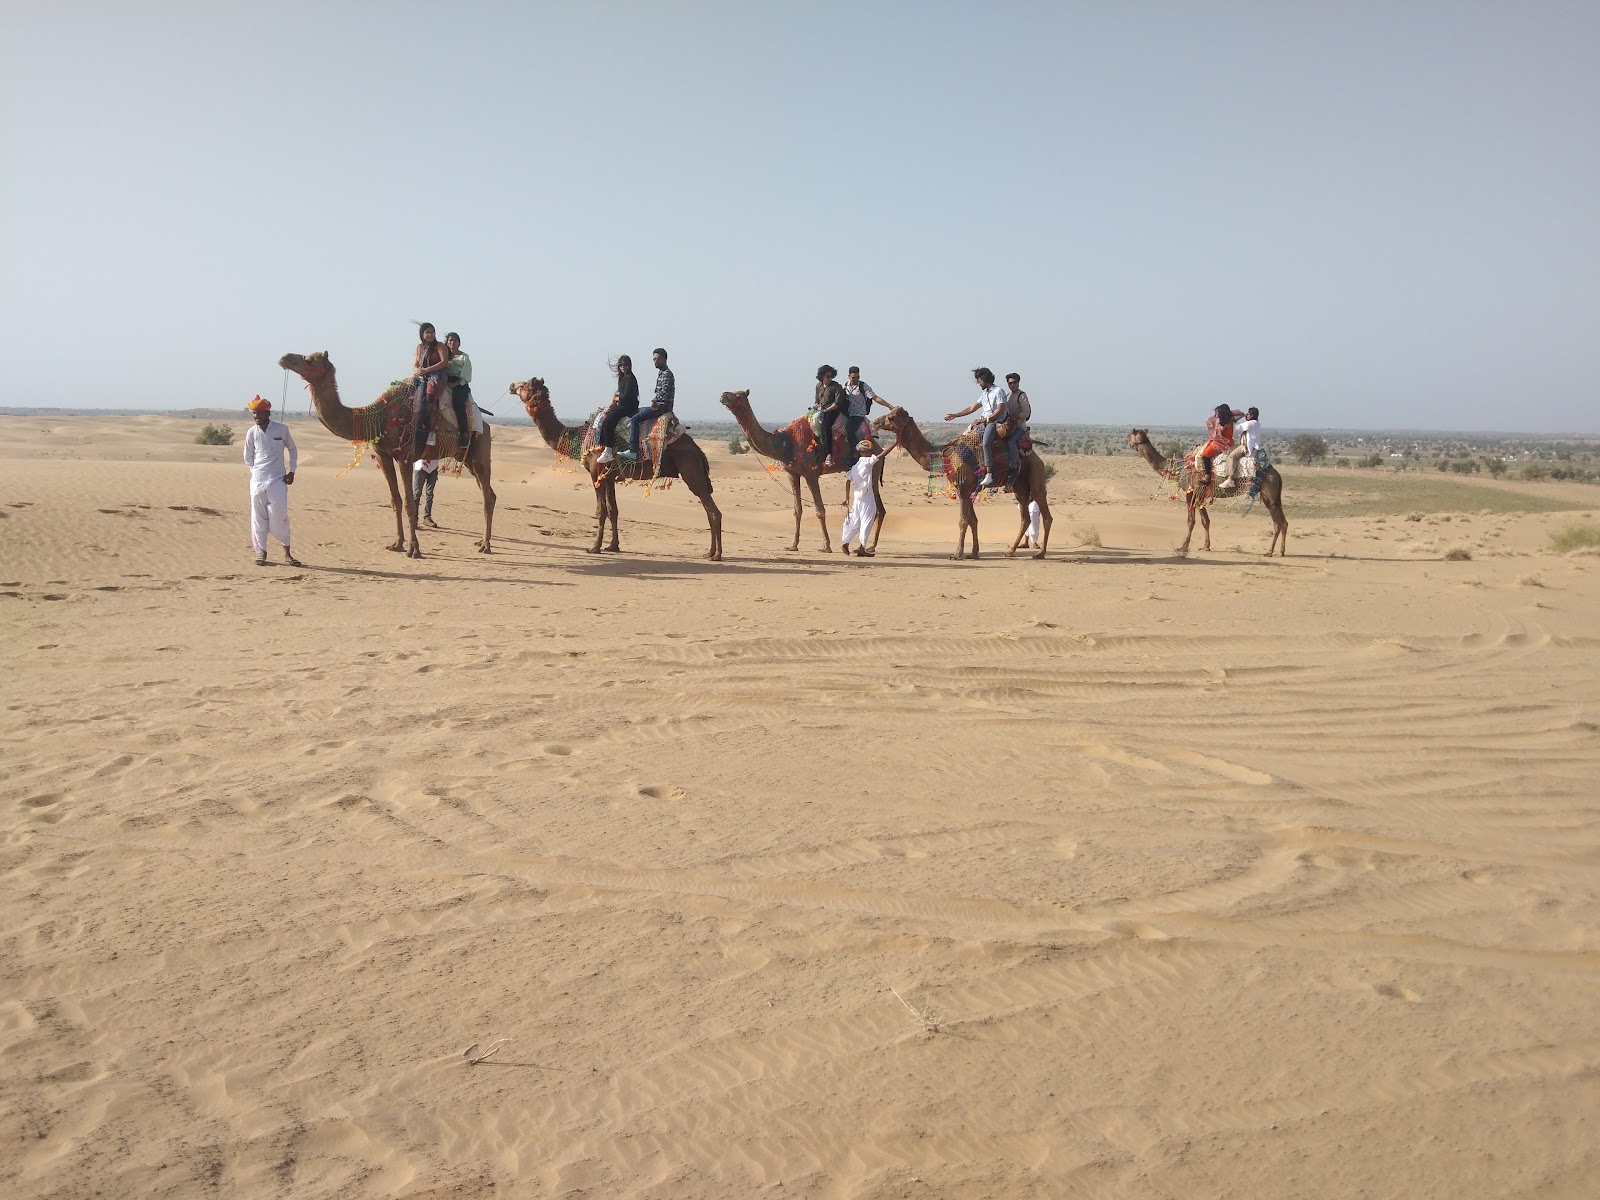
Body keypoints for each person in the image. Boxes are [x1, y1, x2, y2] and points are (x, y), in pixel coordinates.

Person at [241, 396, 301, 566]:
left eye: (259, 413)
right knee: (258, 518)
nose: (256, 416)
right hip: (257, 482)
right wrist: (255, 471)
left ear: (267, 413)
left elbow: (293, 449)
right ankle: (261, 552)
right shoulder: (251, 432)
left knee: (279, 516)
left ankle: (287, 554)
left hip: (277, 480)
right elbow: (248, 456)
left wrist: (292, 471)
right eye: (254, 413)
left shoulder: (281, 429)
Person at [944, 367, 1008, 487]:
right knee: (966, 439)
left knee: (985, 443)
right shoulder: (984, 394)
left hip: (993, 422)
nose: (979, 384)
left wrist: (985, 420)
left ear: (984, 379)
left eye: (979, 381)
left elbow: (1000, 410)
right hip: (983, 422)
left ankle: (989, 474)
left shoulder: (998, 391)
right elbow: (971, 408)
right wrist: (955, 415)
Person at [623, 347, 674, 462]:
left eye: (658, 359)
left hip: (661, 407)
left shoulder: (666, 374)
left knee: (635, 419)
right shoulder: (662, 373)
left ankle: (633, 450)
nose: (656, 361)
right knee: (635, 412)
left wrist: (655, 401)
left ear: (665, 359)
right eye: (654, 359)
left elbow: (664, 393)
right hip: (659, 405)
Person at [840, 438, 881, 556]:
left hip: (857, 498)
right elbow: (882, 454)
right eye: (869, 451)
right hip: (867, 497)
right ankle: (862, 548)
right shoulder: (867, 462)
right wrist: (895, 444)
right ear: (865, 452)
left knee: (855, 521)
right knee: (867, 521)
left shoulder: (855, 467)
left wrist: (847, 498)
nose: (871, 453)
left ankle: (846, 542)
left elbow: (848, 481)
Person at [595, 355, 639, 464]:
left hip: (628, 406)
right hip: (622, 404)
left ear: (629, 365)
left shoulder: (630, 378)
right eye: (621, 365)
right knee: (605, 415)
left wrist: (617, 399)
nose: (623, 367)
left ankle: (608, 451)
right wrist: (613, 403)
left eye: (625, 365)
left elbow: (626, 396)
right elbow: (619, 393)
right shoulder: (622, 378)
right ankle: (603, 446)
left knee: (608, 421)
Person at [412, 323, 449, 441]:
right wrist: (418, 370)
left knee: (429, 395)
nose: (430, 335)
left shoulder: (440, 346)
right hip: (422, 375)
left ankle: (429, 427)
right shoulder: (419, 347)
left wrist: (427, 370)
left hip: (437, 375)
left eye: (432, 332)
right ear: (422, 334)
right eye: (427, 332)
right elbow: (415, 364)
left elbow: (444, 362)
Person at [1197, 403, 1246, 486]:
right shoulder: (1230, 419)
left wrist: (1216, 424)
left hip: (1222, 443)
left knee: (1205, 455)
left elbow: (1217, 434)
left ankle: (1207, 476)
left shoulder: (1224, 423)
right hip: (1228, 441)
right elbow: (1239, 414)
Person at [841, 366, 889, 449]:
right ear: (849, 376)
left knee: (851, 432)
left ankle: (857, 451)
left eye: (857, 377)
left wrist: (889, 406)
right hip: (847, 414)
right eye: (853, 378)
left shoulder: (863, 386)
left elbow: (875, 398)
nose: (856, 379)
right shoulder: (845, 386)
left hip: (858, 415)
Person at [997, 372, 1031, 481]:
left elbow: (1026, 412)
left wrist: (1015, 418)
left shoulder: (1022, 395)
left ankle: (1013, 466)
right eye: (1010, 383)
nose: (1012, 385)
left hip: (1019, 427)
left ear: (1018, 383)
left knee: (1011, 441)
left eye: (1014, 382)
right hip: (1008, 426)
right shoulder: (1008, 396)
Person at [1218, 406, 1262, 489]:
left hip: (1246, 447)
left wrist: (1233, 420)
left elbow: (1239, 427)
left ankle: (1230, 479)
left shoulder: (1250, 423)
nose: (1246, 416)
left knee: (1231, 457)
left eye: (1248, 414)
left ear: (1252, 415)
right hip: (1254, 448)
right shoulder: (1257, 423)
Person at [444, 332, 473, 454]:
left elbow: (465, 376)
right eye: (450, 340)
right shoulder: (444, 355)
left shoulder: (464, 357)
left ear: (459, 343)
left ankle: (464, 434)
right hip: (444, 381)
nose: (452, 342)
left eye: (455, 340)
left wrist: (454, 384)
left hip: (459, 384)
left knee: (458, 404)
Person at [814, 365, 847, 466]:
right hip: (820, 410)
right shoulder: (818, 386)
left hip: (832, 411)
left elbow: (837, 403)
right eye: (827, 376)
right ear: (822, 376)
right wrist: (816, 407)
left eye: (831, 376)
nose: (829, 378)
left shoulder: (836, 387)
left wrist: (826, 410)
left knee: (826, 427)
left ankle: (829, 454)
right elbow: (817, 401)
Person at [414, 455, 440, 527]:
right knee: (417, 493)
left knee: (430, 494)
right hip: (420, 466)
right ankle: (414, 518)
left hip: (433, 467)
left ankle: (427, 517)